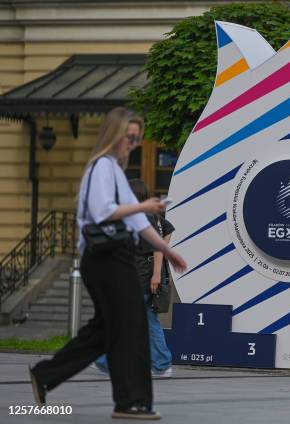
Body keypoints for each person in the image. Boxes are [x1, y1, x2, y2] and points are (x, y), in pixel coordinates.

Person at [28, 107, 187, 420]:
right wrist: (144, 205)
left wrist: (166, 252)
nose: (133, 143)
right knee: (132, 326)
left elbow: (140, 224)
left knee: (105, 329)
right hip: (106, 260)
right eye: (129, 137)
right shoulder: (102, 167)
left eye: (136, 138)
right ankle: (131, 403)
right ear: (114, 135)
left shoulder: (114, 170)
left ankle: (46, 375)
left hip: (111, 258)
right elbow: (103, 212)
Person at [94, 179, 174, 378]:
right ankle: (159, 363)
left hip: (141, 276)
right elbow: (168, 231)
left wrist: (156, 273)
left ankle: (107, 360)